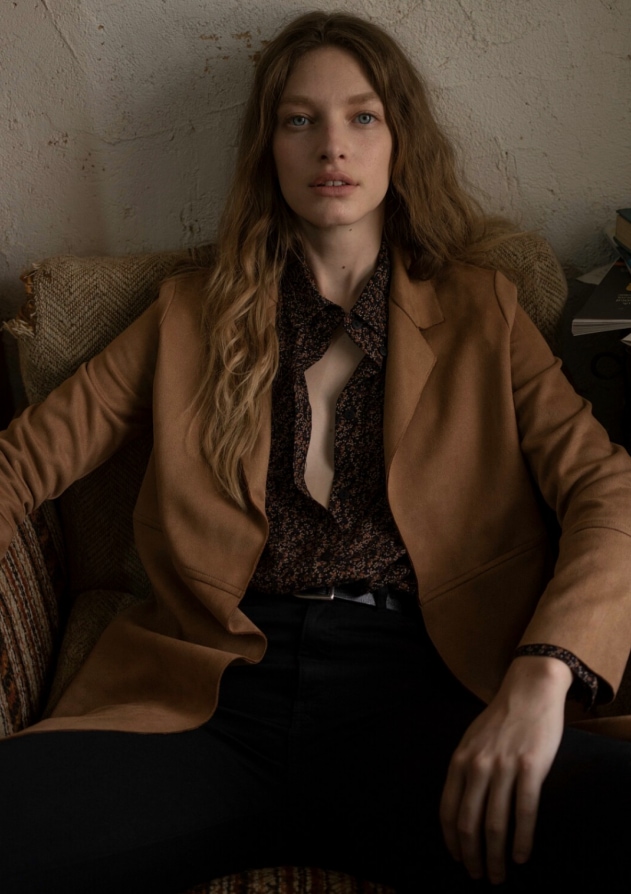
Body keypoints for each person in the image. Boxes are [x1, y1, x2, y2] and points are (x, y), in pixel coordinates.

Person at [1, 9, 631, 893]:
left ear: (399, 140)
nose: (331, 145)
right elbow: (21, 464)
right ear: (268, 148)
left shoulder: (483, 310)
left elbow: (607, 491)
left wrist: (544, 672)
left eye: (361, 116)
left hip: (425, 697)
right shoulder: (187, 313)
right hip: (215, 702)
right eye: (299, 119)